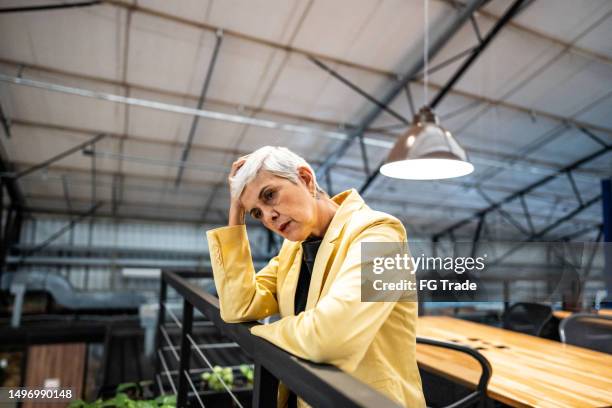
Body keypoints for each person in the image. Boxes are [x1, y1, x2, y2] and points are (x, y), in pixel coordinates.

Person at [206, 146, 425, 407]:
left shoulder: (383, 235)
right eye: (256, 213)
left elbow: (331, 339)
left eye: (270, 195)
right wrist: (236, 212)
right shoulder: (292, 250)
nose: (269, 216)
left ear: (306, 179)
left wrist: (263, 333)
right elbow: (239, 306)